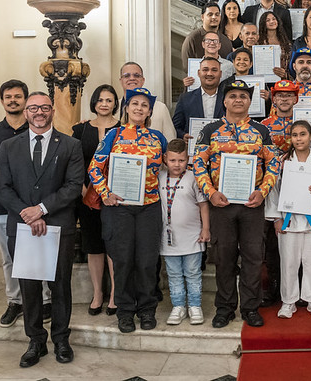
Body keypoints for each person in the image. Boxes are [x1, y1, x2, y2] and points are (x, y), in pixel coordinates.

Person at [0, 92, 84, 367]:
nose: (39, 112)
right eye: (33, 108)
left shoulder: (71, 145)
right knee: (29, 287)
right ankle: (35, 341)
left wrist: (42, 210)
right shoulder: (8, 146)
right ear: (26, 112)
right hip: (22, 227)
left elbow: (73, 186)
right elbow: (2, 188)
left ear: (52, 111)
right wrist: (29, 214)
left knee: (60, 287)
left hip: (59, 227)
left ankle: (60, 339)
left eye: (44, 108)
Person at [193, 80, 280, 328]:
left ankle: (250, 308)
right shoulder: (210, 130)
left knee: (253, 258)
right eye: (233, 96)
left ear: (250, 102)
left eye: (243, 96)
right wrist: (210, 193)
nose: (238, 100)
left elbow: (274, 163)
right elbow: (198, 164)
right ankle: (225, 308)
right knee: (224, 257)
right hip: (221, 204)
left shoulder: (261, 131)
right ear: (225, 101)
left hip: (253, 205)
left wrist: (263, 191)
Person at [89, 88, 168, 334]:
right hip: (119, 208)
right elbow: (94, 168)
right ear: (126, 107)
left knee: (146, 261)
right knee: (123, 261)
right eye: (135, 103)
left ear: (150, 111)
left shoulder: (158, 138)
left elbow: (170, 166)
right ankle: (124, 311)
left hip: (149, 206)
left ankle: (146, 309)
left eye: (144, 105)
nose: (139, 108)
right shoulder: (113, 135)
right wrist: (106, 194)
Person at [0, 80, 52, 328]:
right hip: (5, 207)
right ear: (2, 101)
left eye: (18, 97)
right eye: (8, 97)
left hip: (38, 209)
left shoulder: (38, 128)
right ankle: (15, 301)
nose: (13, 100)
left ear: (26, 100)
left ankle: (44, 300)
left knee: (40, 255)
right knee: (10, 257)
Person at [265, 120, 311, 319]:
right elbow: (273, 191)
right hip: (288, 220)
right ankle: (288, 301)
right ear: (290, 138)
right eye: (295, 135)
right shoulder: (282, 162)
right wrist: (275, 218)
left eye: (303, 134)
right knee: (289, 262)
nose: (299, 138)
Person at [71, 85, 120, 317]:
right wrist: (82, 189)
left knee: (113, 244)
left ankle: (114, 295)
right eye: (100, 100)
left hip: (115, 197)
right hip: (86, 196)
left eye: (109, 100)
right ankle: (98, 293)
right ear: (94, 102)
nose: (104, 104)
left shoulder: (123, 129)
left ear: (115, 104)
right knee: (93, 245)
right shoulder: (80, 130)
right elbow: (74, 162)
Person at [259, 80, 301, 307]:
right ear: (273, 99)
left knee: (299, 238)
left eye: (289, 96)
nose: (284, 100)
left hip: (299, 187)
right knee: (273, 245)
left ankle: (301, 287)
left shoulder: (305, 122)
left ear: (296, 98)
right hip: (272, 187)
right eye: (280, 96)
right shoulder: (263, 126)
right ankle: (273, 285)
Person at [160, 138, 210, 326]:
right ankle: (178, 306)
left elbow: (203, 205)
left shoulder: (194, 178)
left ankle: (195, 306)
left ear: (187, 159)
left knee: (192, 272)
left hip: (192, 237)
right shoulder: (158, 178)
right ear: (165, 159)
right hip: (168, 238)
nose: (177, 164)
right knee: (173, 273)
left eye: (181, 160)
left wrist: (205, 229)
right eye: (172, 160)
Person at [119, 62, 176, 140]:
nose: (132, 78)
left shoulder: (161, 108)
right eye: (126, 75)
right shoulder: (113, 107)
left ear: (143, 80)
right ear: (121, 80)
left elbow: (170, 141)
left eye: (136, 75)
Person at [172, 57, 226, 140]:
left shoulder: (229, 98)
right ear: (198, 73)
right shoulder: (185, 98)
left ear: (220, 73)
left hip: (222, 147)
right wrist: (183, 135)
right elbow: (175, 127)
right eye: (205, 70)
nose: (209, 73)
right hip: (194, 149)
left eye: (214, 70)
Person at [257, 11, 293, 79]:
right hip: (264, 79)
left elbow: (290, 63)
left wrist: (285, 75)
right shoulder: (259, 43)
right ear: (263, 24)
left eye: (274, 19)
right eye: (268, 20)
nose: (272, 22)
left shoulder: (286, 43)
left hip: (284, 79)